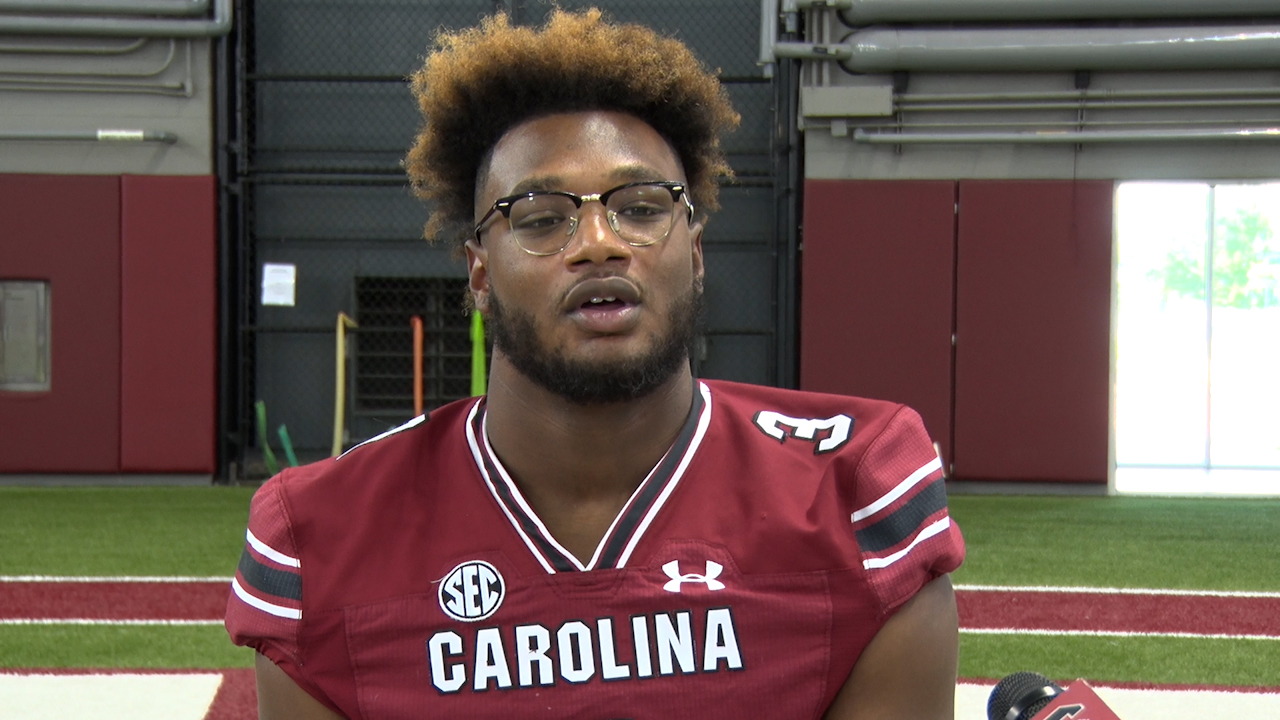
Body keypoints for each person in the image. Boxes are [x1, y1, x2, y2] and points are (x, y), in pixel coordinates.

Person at [226, 8, 964, 719]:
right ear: (479, 273)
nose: (600, 242)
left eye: (642, 207)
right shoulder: (319, 537)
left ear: (696, 253)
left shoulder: (855, 493)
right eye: (543, 218)